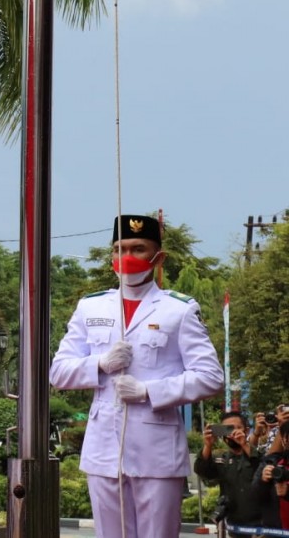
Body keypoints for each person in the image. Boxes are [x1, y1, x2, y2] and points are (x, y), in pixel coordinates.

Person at [49, 214, 223, 538]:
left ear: (158, 257)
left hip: (156, 450)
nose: (126, 257)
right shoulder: (91, 307)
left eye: (138, 248)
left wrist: (149, 390)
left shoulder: (179, 309)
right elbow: (58, 372)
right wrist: (99, 364)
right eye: (119, 248)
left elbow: (211, 376)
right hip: (103, 449)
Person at [194, 411, 263, 533]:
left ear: (246, 431)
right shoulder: (220, 458)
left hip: (259, 525)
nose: (233, 433)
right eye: (228, 429)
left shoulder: (256, 454)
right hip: (231, 525)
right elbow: (204, 472)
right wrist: (207, 446)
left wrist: (244, 444)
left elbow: (260, 467)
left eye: (238, 428)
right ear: (222, 433)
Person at [253, 421, 289, 531]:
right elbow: (255, 496)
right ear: (283, 440)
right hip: (275, 531)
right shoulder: (272, 462)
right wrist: (263, 481)